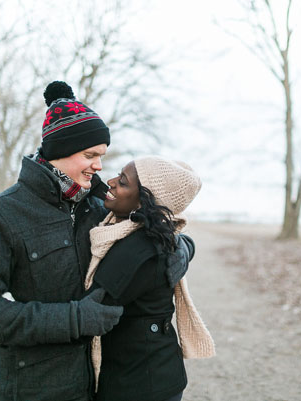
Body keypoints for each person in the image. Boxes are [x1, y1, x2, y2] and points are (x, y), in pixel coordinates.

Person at [0, 81, 189, 401]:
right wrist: (73, 319)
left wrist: (181, 250)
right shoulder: (0, 214)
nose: (99, 165)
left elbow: (155, 227)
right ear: (59, 152)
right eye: (90, 155)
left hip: (97, 385)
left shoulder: (96, 208)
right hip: (33, 389)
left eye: (101, 155)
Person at [82, 156, 215, 401]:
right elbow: (183, 241)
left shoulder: (140, 251)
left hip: (140, 384)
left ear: (144, 202)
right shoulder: (149, 234)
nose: (111, 182)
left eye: (122, 182)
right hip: (150, 372)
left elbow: (91, 310)